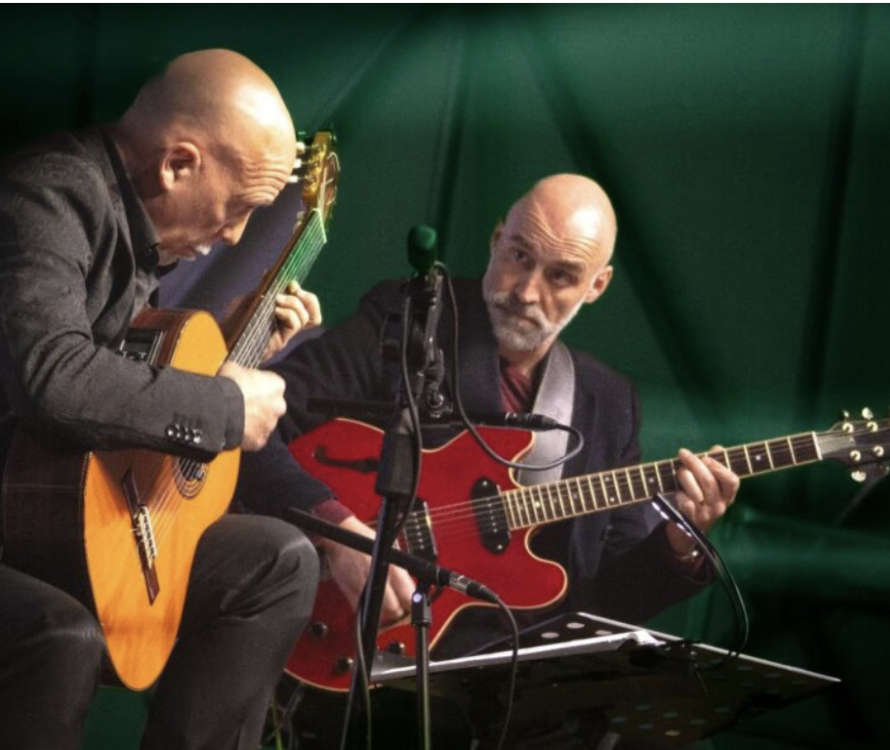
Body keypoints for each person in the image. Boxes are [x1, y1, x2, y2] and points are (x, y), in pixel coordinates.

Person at [0, 49, 323, 749]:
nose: (235, 234)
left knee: (276, 562)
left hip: (39, 518)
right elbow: (55, 379)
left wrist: (236, 344)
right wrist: (224, 409)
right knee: (60, 637)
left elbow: (117, 372)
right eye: (238, 207)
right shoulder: (42, 202)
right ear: (177, 163)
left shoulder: (129, 220)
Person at [235, 174, 741, 747]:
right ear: (497, 237)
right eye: (519, 255)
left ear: (597, 286)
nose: (526, 291)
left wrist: (679, 542)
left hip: (517, 702)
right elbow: (246, 425)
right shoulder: (409, 320)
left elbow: (608, 602)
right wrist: (342, 535)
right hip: (371, 663)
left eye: (561, 276)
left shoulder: (609, 404)